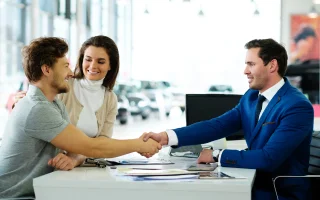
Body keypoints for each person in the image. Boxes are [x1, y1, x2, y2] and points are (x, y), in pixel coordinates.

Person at [142, 39, 314, 199]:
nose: (245, 71)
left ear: (272, 65)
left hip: (278, 192)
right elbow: (217, 126)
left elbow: (268, 158)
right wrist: (166, 137)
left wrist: (217, 155)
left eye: (251, 64)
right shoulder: (252, 97)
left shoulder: (296, 106)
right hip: (254, 182)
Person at [0, 37, 161, 198]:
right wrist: (139, 145)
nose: (71, 73)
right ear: (47, 70)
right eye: (65, 66)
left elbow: (88, 145)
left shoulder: (54, 103)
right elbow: (92, 147)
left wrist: (77, 156)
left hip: (46, 188)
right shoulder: (39, 107)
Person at [13, 35, 124, 171]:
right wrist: (20, 102)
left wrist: (77, 158)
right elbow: (37, 107)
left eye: (100, 62)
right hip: (53, 168)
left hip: (82, 170)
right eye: (88, 59)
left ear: (110, 65)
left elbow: (102, 143)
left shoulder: (110, 98)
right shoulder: (62, 86)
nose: (93, 66)